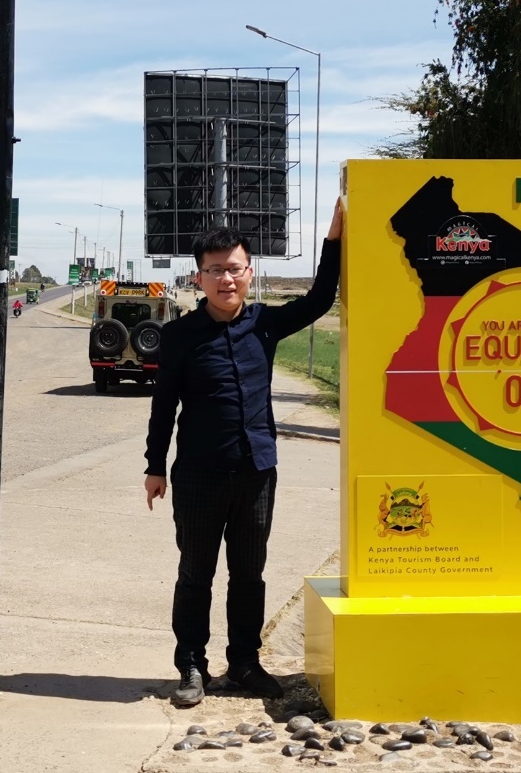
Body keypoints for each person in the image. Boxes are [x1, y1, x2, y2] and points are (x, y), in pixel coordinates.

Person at [144, 199, 344, 708]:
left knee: (249, 576)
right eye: (215, 271)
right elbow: (164, 405)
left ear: (249, 272)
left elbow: (321, 299)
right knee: (196, 575)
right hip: (198, 475)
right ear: (199, 278)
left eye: (234, 269)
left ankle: (245, 662)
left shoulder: (265, 325)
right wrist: (154, 466)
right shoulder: (179, 336)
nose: (226, 279)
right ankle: (192, 665)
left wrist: (333, 240)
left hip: (257, 472)